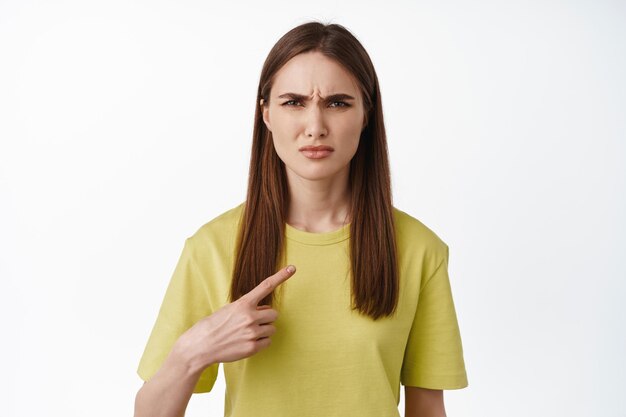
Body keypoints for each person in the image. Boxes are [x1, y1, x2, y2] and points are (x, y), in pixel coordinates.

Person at [134, 21, 468, 417]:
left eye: (337, 102)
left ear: (366, 115)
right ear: (267, 115)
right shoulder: (212, 247)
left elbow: (428, 409)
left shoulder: (418, 250)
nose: (315, 127)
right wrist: (194, 351)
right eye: (294, 102)